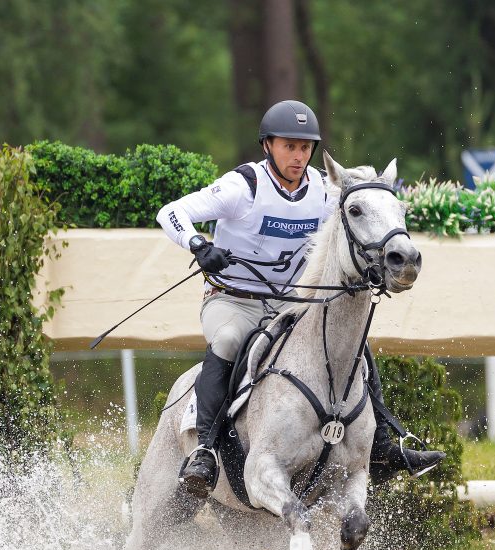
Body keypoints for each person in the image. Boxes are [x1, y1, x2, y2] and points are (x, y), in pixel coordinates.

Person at [155, 99, 444, 498]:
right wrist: (198, 245)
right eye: (289, 146)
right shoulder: (243, 186)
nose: (298, 155)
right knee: (227, 341)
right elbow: (171, 212)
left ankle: (381, 447)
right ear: (267, 146)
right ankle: (204, 448)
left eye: (305, 148)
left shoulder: (322, 192)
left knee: (354, 345)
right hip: (235, 300)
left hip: (291, 303)